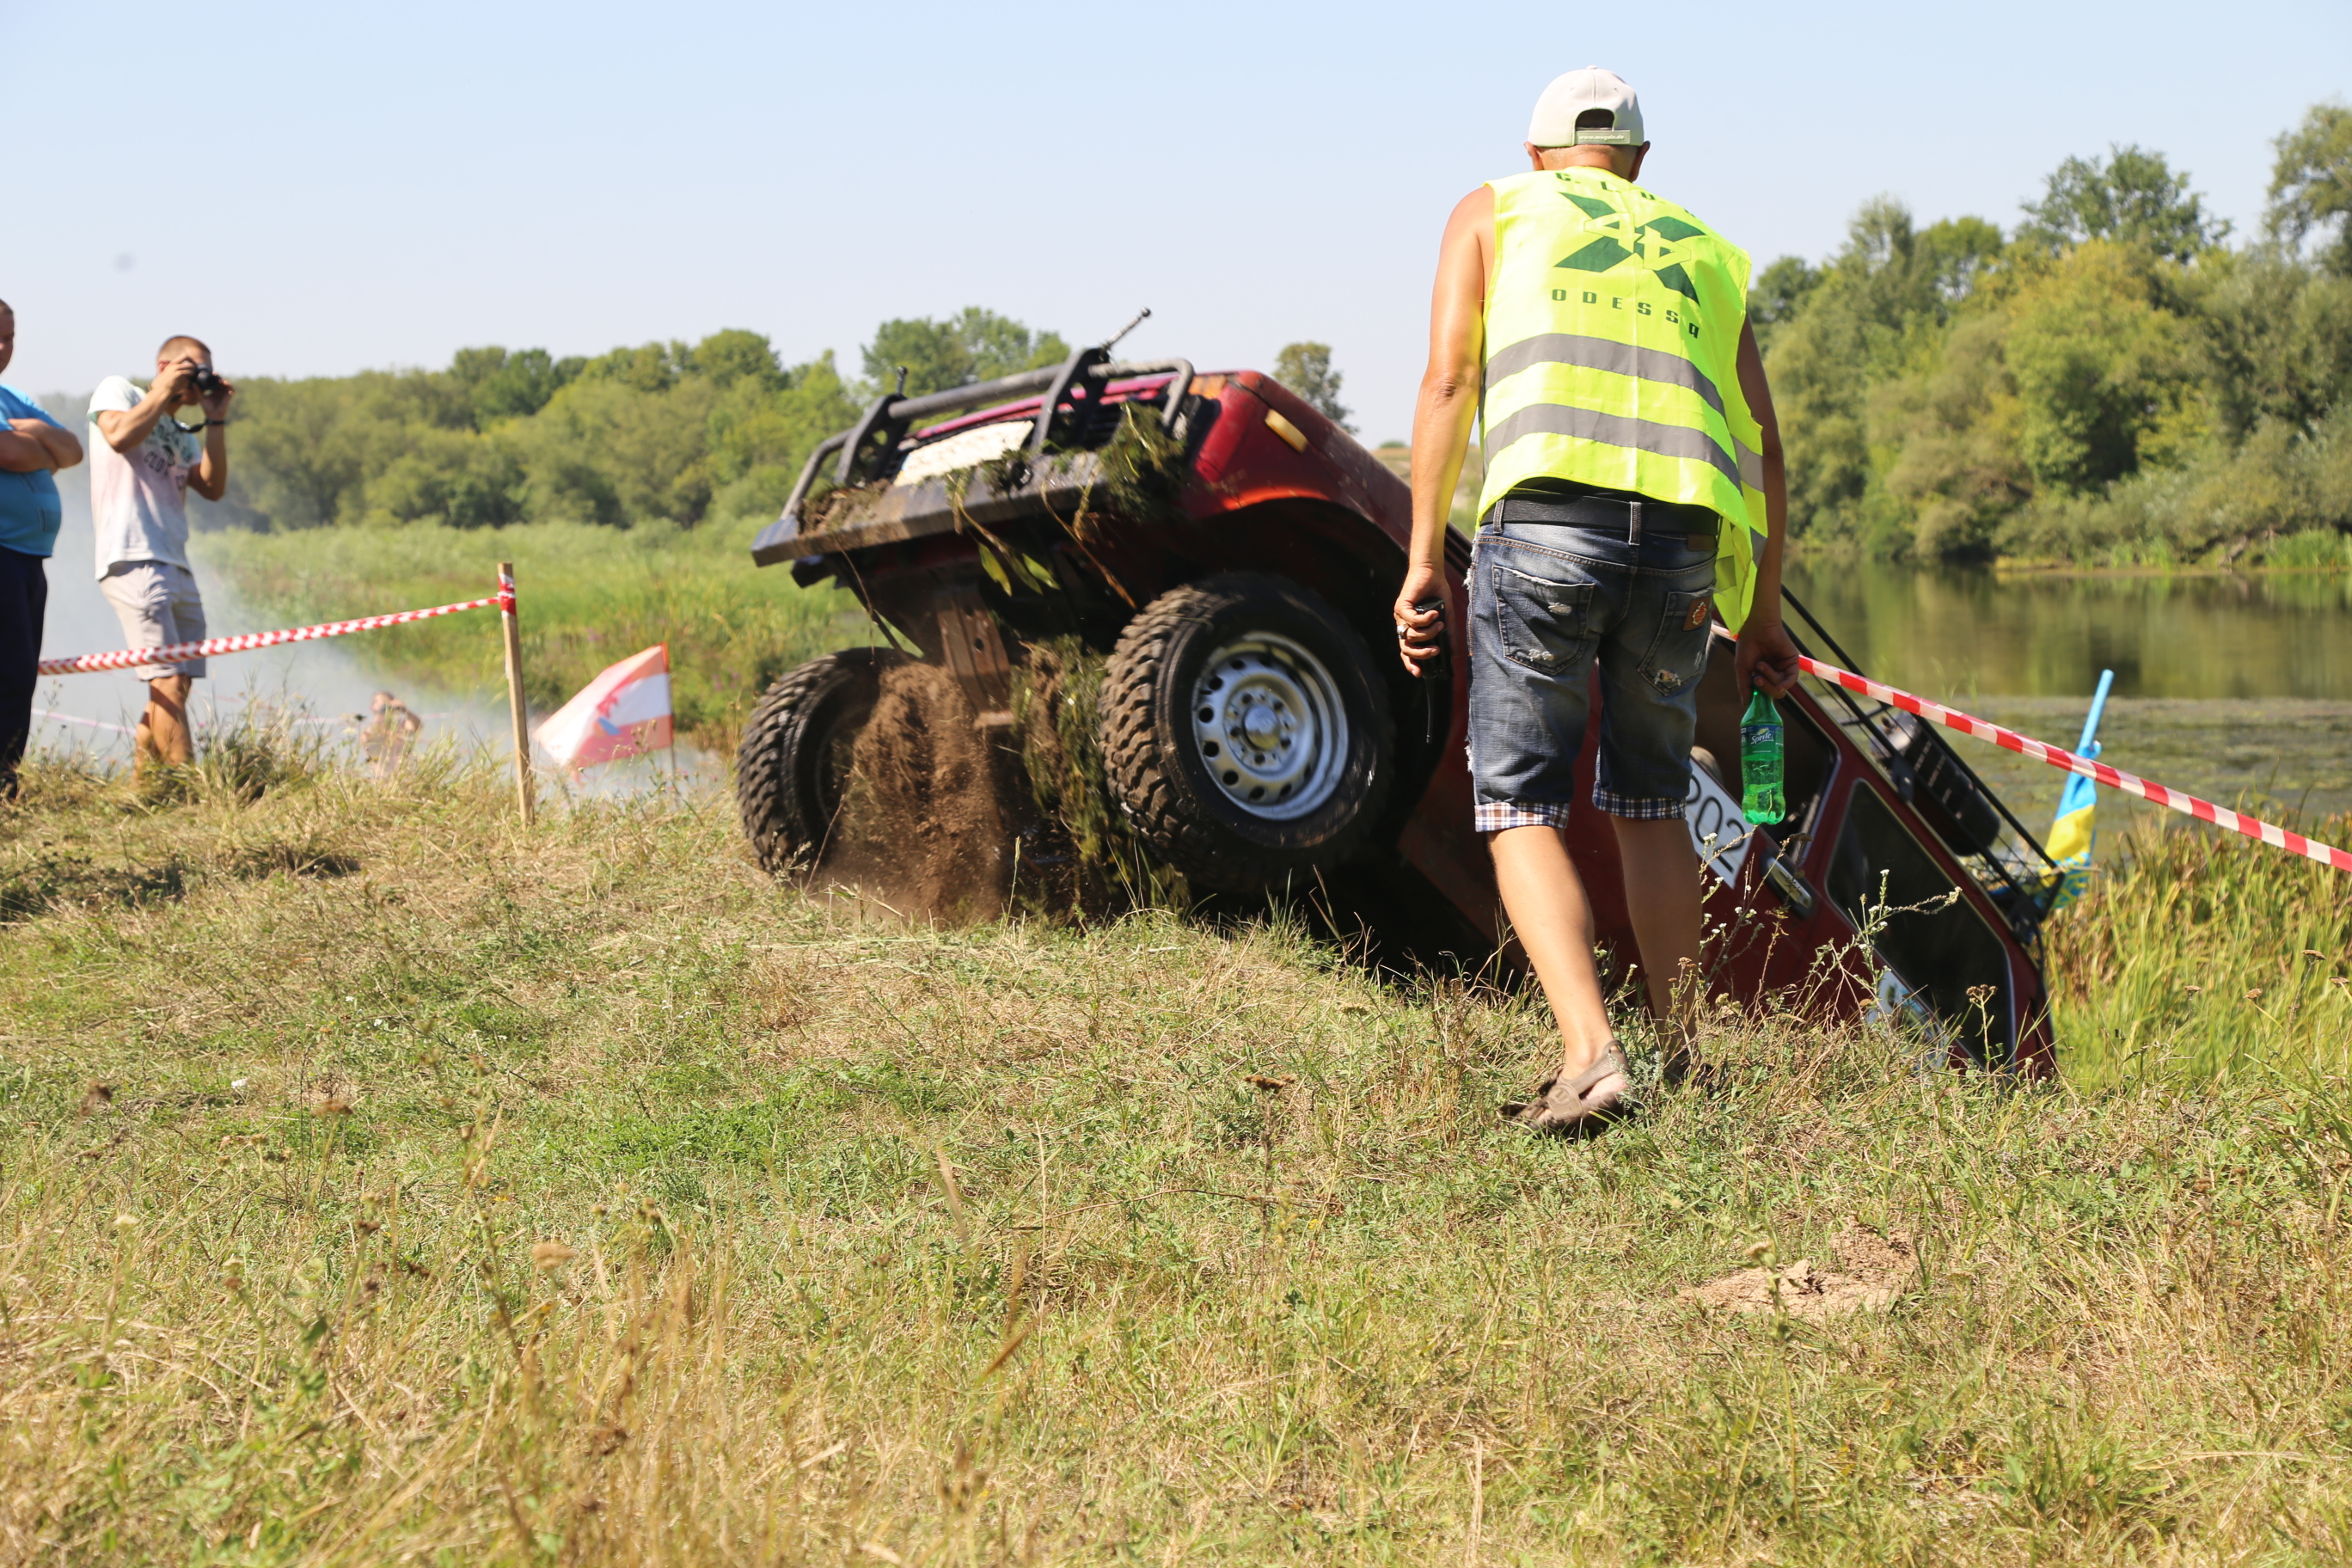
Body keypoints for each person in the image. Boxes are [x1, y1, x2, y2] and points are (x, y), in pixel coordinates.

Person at [1393, 68, 1802, 1135]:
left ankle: (1592, 1055)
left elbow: (1449, 383)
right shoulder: (1706, 252)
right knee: (1652, 798)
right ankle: (1685, 1053)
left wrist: (1422, 560)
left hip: (1545, 531)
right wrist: (1761, 615)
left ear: (1540, 157)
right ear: (1640, 162)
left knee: (1520, 799)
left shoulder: (1496, 210)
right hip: (1678, 552)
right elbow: (1762, 448)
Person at [89, 335, 235, 775]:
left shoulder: (182, 430)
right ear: (164, 365)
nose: (197, 378)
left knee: (179, 682)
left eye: (203, 370)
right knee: (166, 679)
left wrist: (216, 421)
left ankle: (141, 786)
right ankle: (189, 791)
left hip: (175, 559)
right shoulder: (120, 391)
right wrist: (162, 391)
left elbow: (211, 487)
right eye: (190, 367)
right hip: (133, 555)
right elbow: (117, 436)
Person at [0, 299, 88, 800]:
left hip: (27, 557)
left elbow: (72, 450)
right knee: (5, 670)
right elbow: (8, 454)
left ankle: (7, 782)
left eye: (10, 336)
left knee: (18, 675)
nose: (2, 347)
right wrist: (36, 449)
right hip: (1, 553)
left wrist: (29, 432)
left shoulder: (10, 395)